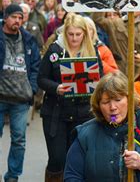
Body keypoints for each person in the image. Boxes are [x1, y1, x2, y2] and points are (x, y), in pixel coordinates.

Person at [64, 71, 140, 181]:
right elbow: (72, 176)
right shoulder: (86, 134)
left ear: (130, 99)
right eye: (105, 102)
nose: (112, 107)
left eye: (118, 99)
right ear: (98, 105)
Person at [39, 13, 104, 181]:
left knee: (76, 159)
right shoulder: (55, 50)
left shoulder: (92, 51)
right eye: (71, 34)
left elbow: (100, 79)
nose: (74, 38)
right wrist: (56, 88)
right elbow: (41, 79)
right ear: (65, 32)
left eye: (78, 34)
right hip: (56, 112)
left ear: (84, 34)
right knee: (57, 159)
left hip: (82, 113)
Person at [0, 3, 41, 182]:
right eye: (14, 17)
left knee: (19, 140)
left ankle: (13, 176)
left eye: (20, 17)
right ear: (5, 17)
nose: (17, 20)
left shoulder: (28, 39)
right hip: (0, 97)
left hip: (21, 99)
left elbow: (35, 67)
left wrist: (31, 90)